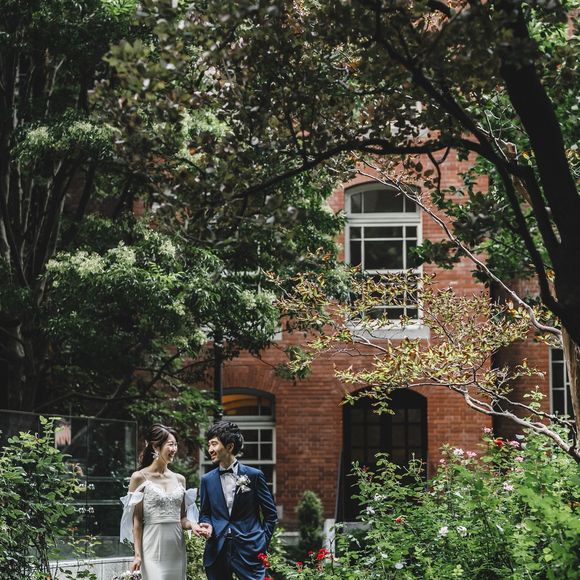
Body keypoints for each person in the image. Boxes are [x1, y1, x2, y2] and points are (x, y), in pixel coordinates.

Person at [120, 424, 202, 579]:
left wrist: (193, 525)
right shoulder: (139, 477)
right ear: (156, 447)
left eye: (176, 444)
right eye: (170, 444)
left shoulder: (180, 479)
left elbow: (182, 518)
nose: (174, 449)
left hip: (176, 548)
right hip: (152, 547)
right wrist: (137, 555)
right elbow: (136, 521)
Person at [198, 420, 278, 580]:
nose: (210, 450)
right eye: (209, 445)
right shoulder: (207, 480)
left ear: (229, 446)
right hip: (217, 549)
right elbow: (205, 513)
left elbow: (271, 515)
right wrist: (206, 525)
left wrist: (261, 542)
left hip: (249, 549)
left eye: (214, 444)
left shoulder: (254, 476)